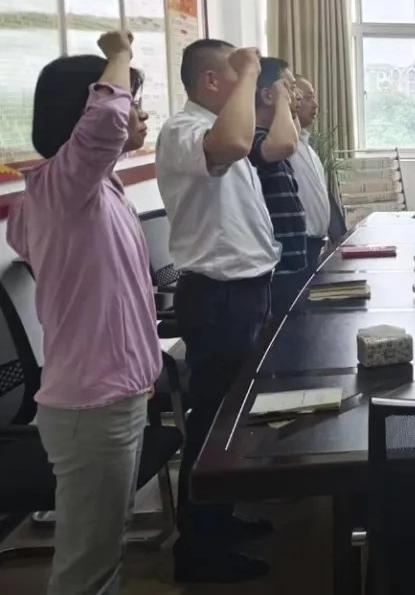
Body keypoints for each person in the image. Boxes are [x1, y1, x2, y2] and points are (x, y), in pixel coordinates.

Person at [6, 31, 160, 595]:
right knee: (87, 566)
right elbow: (107, 123)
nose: (138, 114)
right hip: (91, 406)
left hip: (114, 395)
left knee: (105, 548)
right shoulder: (63, 188)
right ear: (84, 112)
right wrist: (118, 52)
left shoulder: (90, 189)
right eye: (132, 100)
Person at [156, 39, 279, 583]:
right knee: (212, 420)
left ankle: (220, 519)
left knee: (232, 417)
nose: (250, 84)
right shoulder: (185, 131)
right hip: (218, 297)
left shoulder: (216, 129)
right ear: (211, 81)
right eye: (239, 74)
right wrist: (250, 68)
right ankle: (199, 548)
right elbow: (231, 143)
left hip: (243, 292)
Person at [247, 57, 309, 318]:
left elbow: (293, 135)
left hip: (291, 263)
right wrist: (283, 101)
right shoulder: (254, 140)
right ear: (267, 95)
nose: (296, 95)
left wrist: (285, 103)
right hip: (277, 268)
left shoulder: (269, 137)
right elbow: (286, 143)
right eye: (289, 87)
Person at [290, 76, 332, 271]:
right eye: (306, 98)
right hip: (297, 246)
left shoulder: (307, 147)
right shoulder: (284, 148)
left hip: (315, 246)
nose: (315, 104)